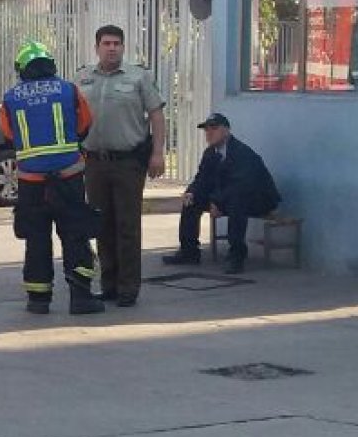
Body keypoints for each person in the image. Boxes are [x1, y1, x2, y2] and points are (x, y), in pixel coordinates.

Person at [1, 40, 104, 315]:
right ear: (51, 64)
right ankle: (81, 298)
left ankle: (38, 300)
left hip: (30, 182)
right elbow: (85, 123)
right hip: (68, 178)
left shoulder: (10, 98)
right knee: (75, 235)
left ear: (22, 68)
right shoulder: (70, 90)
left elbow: (9, 134)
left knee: (36, 239)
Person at [76, 25, 166, 307]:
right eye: (106, 43)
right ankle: (109, 284)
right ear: (97, 47)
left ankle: (129, 289)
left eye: (117, 43)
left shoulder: (139, 77)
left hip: (128, 163)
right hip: (94, 162)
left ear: (123, 47)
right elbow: (71, 116)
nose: (112, 48)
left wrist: (158, 153)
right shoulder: (82, 78)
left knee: (127, 226)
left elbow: (156, 115)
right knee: (101, 225)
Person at [162, 112, 281, 274]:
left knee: (237, 202)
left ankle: (236, 256)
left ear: (226, 131)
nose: (209, 133)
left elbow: (240, 185)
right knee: (191, 201)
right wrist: (191, 192)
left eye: (214, 128)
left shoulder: (242, 153)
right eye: (207, 130)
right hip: (229, 196)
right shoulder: (210, 153)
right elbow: (202, 178)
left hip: (259, 199)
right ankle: (189, 251)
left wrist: (216, 201)